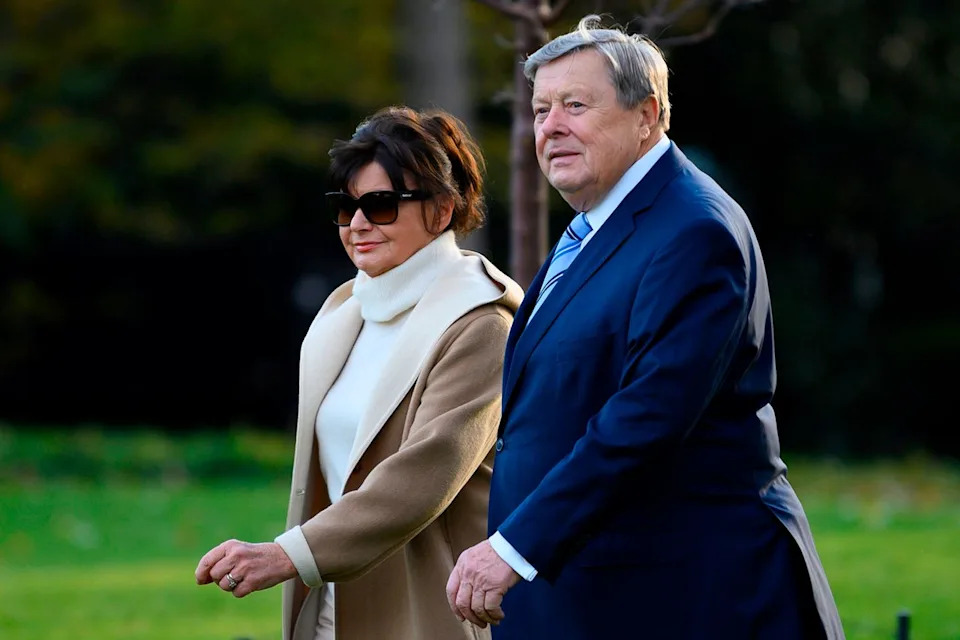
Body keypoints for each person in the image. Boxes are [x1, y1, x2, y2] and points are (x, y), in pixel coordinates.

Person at [446, 15, 844, 640]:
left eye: (576, 105)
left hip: (687, 595)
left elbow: (647, 417)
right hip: (593, 588)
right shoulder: (599, 222)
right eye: (542, 109)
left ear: (647, 115)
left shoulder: (695, 231)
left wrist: (515, 546)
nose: (550, 126)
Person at [195, 105, 523, 640]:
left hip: (427, 614)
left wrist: (287, 555)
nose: (358, 224)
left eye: (382, 205)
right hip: (330, 608)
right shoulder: (345, 309)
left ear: (442, 210)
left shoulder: (481, 324)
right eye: (345, 207)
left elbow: (422, 477)